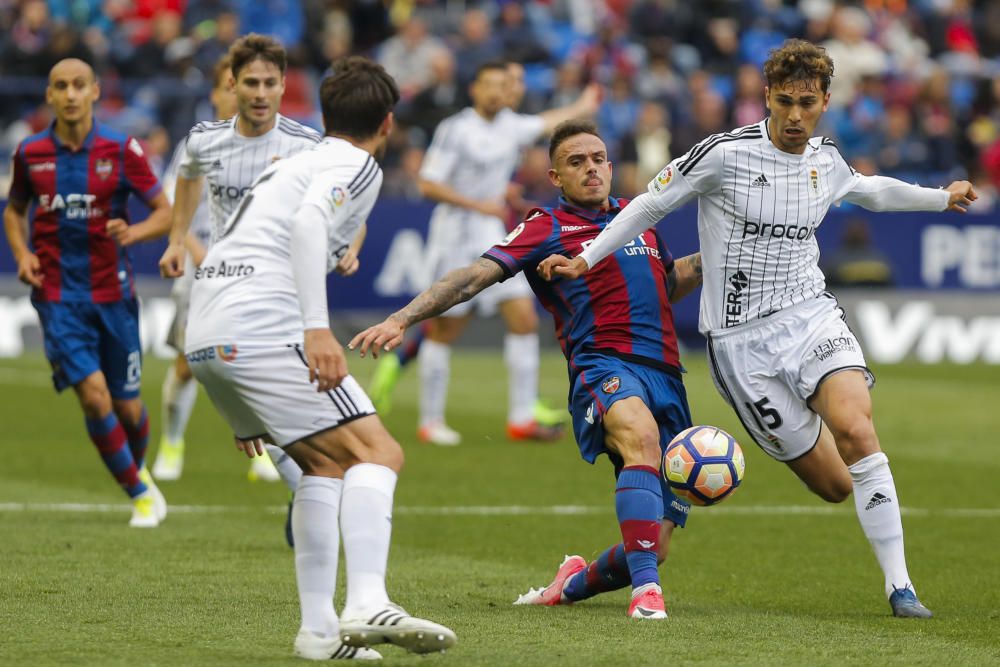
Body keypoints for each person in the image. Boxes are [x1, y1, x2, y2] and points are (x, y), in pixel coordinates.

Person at [539, 39, 979, 618]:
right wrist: (588, 257)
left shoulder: (827, 160)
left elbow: (869, 190)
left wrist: (938, 197)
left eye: (807, 102)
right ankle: (582, 575)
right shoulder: (722, 155)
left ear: (824, 101)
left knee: (856, 426)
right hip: (740, 344)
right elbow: (648, 205)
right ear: (766, 97)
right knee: (834, 484)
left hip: (810, 314)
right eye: (784, 101)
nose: (795, 115)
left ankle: (901, 588)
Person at [163, 56, 456, 660]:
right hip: (264, 327)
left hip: (210, 327)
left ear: (323, 115)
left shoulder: (296, 160)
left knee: (323, 468)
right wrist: (318, 331)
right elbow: (307, 225)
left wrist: (236, 404)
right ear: (388, 122)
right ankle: (368, 600)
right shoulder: (356, 163)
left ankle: (320, 632)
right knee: (379, 451)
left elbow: (233, 248)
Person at [350, 120, 703, 619]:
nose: (593, 169)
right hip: (603, 364)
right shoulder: (546, 227)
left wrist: (712, 259)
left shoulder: (636, 215)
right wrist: (402, 318)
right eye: (577, 162)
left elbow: (665, 285)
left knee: (654, 544)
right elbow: (473, 276)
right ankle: (647, 596)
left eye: (599, 158)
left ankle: (571, 585)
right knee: (640, 437)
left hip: (666, 374)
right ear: (556, 176)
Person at [371, 60, 601, 447]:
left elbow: (548, 122)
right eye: (489, 84)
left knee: (524, 318)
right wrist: (480, 205)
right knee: (445, 329)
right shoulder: (456, 129)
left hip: (493, 232)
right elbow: (427, 183)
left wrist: (584, 103)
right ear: (475, 89)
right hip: (455, 236)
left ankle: (522, 416)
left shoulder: (510, 124)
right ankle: (430, 420)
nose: (497, 91)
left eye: (503, 85)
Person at [3, 58, 172, 527]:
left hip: (114, 297)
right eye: (62, 86)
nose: (71, 94)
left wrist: (135, 234)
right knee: (95, 398)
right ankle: (138, 491)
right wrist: (22, 254)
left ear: (96, 91)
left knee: (129, 407)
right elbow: (14, 212)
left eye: (80, 85)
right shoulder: (31, 153)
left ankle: (136, 468)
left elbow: (164, 211)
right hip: (58, 298)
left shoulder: (122, 149)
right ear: (50, 95)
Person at [154, 34, 326, 488]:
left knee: (278, 375)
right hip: (208, 273)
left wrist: (342, 244)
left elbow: (335, 200)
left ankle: (288, 476)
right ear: (230, 86)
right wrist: (181, 244)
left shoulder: (306, 145)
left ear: (283, 85)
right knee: (191, 366)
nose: (258, 92)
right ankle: (172, 441)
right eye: (249, 83)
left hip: (271, 281)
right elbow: (184, 188)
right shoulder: (203, 142)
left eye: (270, 83)